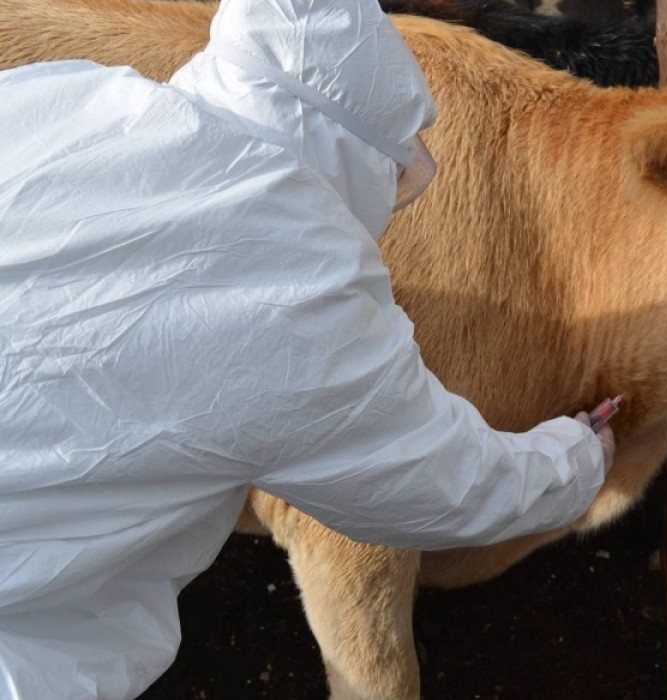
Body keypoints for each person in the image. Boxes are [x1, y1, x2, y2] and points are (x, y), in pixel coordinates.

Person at [0, 0, 615, 697]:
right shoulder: (305, 293)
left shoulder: (75, 93)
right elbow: (451, 485)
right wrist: (581, 455)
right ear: (354, 149)